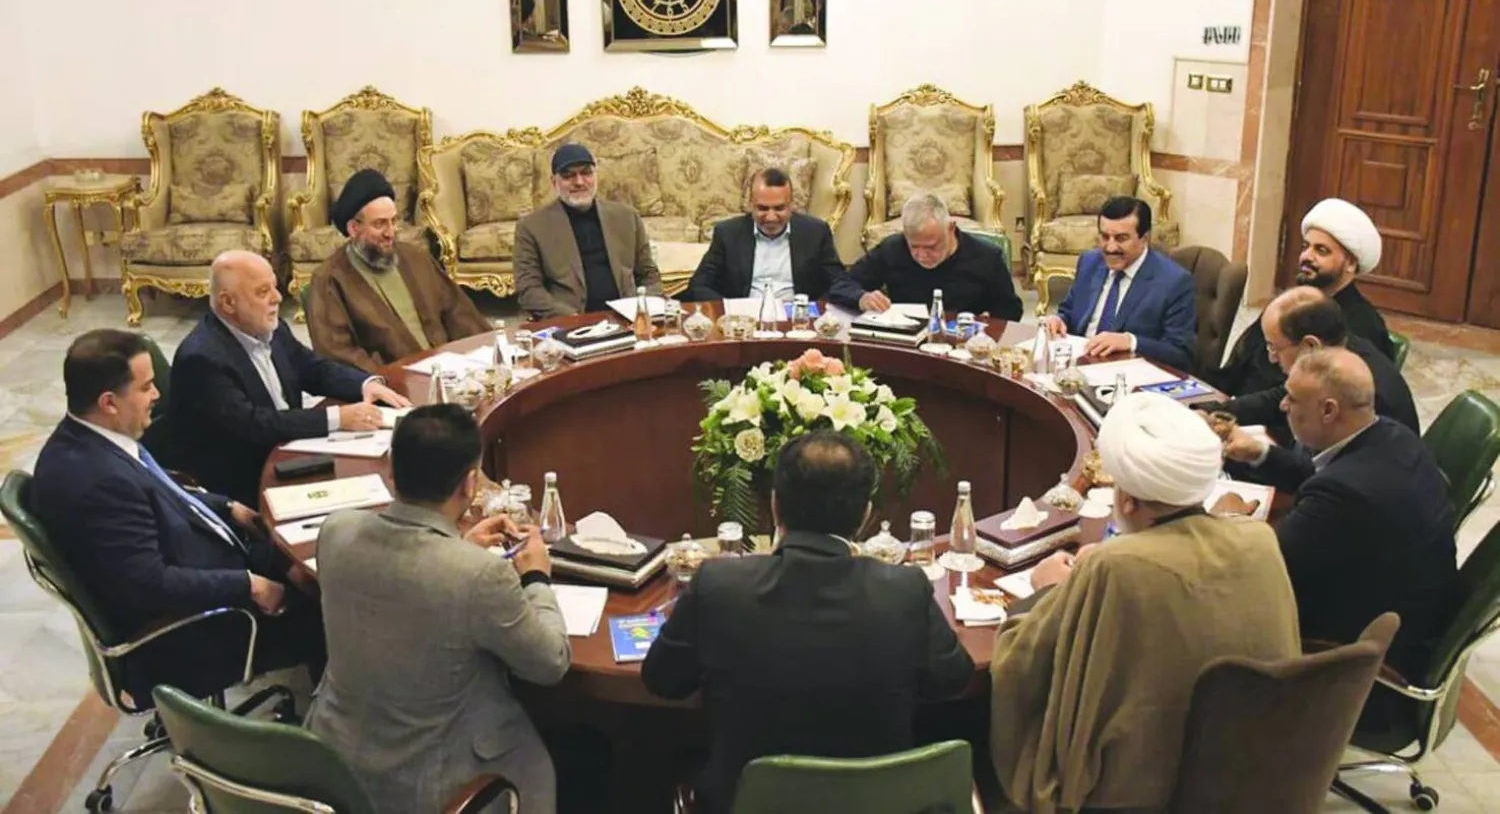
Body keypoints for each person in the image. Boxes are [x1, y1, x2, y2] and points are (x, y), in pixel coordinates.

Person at [989, 393, 1300, 814]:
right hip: (1246, 778)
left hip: (1137, 792)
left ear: (1127, 500)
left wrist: (1045, 591)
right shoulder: (1259, 539)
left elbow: (1020, 662)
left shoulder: (1116, 566)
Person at [642, 430, 972, 814]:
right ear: (866, 514)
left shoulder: (719, 585)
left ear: (775, 505)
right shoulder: (904, 590)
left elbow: (663, 680)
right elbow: (954, 678)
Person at [30, 330, 325, 707]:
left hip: (210, 557)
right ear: (109, 403)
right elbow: (150, 585)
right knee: (335, 609)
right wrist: (249, 585)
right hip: (197, 628)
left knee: (312, 559)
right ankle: (328, 719)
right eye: (145, 387)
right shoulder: (97, 483)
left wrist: (226, 507)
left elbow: (162, 489)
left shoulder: (91, 439)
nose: (156, 395)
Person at [308, 405, 572, 814]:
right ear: (470, 484)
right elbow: (551, 663)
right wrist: (537, 576)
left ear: (390, 469)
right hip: (433, 786)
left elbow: (401, 582)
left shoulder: (336, 531)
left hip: (336, 764)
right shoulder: (480, 575)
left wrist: (457, 547)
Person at [1213, 350, 1457, 690]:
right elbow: (1324, 474)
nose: (1283, 405)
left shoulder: (1345, 495)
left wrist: (1228, 517)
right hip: (1404, 612)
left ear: (1328, 411)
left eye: (1292, 398)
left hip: (1361, 660)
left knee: (1211, 607)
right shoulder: (1393, 435)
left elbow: (1260, 567)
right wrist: (1262, 454)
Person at [170, 250, 411, 505]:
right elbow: (254, 424)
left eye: (275, 287)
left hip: (293, 452)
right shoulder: (202, 359)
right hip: (245, 483)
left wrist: (365, 384)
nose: (277, 298)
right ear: (228, 303)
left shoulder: (271, 328)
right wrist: (338, 418)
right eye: (263, 292)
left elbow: (312, 368)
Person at [306, 168, 492, 372]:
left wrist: (487, 351)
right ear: (353, 228)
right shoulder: (329, 280)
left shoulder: (415, 257)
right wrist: (389, 378)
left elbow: (458, 311)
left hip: (449, 372)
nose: (390, 233)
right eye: (379, 224)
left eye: (393, 221)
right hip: (392, 383)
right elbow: (338, 353)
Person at [1207, 198, 1393, 396]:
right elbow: (1237, 368)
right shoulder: (1290, 304)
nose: (1306, 256)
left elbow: (1315, 397)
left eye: (1321, 250)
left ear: (1350, 264)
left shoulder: (1363, 325)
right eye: (1306, 246)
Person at [1203, 286, 1417, 453]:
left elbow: (1317, 474)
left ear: (1310, 346)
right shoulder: (1335, 354)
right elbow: (1279, 397)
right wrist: (1215, 412)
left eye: (1274, 347)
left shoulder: (1353, 392)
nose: (1271, 358)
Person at [1041, 196, 1196, 372]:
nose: (1110, 248)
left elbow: (1181, 354)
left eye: (1121, 238)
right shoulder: (1090, 262)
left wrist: (1131, 341)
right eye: (1105, 237)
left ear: (1144, 238)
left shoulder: (1174, 282)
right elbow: (1069, 311)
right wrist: (1058, 320)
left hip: (1129, 375)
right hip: (1076, 369)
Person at [513, 143, 663, 319]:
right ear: (554, 182)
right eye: (568, 176)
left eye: (586, 173)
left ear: (595, 176)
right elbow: (529, 290)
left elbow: (649, 274)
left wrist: (641, 309)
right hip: (570, 321)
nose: (579, 182)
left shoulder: (627, 217)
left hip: (627, 317)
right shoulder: (531, 227)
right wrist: (572, 318)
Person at [826, 193, 1022, 320]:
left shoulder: (986, 257)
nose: (921, 255)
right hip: (906, 343)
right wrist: (862, 298)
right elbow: (840, 285)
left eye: (931, 246)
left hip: (963, 345)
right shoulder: (892, 248)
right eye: (914, 246)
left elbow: (1011, 311)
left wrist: (986, 322)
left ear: (951, 228)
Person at [686, 167, 844, 302]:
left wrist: (814, 311)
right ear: (750, 205)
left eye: (779, 208)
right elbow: (699, 286)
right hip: (744, 320)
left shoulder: (816, 232)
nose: (771, 217)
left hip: (797, 319)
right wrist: (729, 310)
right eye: (762, 208)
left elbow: (839, 283)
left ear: (791, 205)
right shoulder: (727, 233)